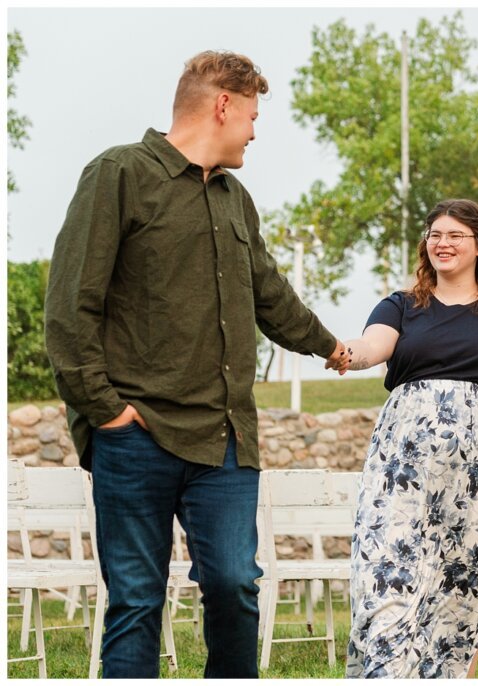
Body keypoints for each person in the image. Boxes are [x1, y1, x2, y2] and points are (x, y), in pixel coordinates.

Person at [44, 50, 351, 679]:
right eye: (253, 115)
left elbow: (268, 289)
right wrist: (106, 412)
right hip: (137, 437)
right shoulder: (117, 174)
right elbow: (71, 305)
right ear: (223, 105)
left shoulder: (236, 199)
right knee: (136, 601)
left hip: (225, 439)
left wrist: (329, 346)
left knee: (237, 586)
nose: (256, 131)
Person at [341, 198, 478, 678]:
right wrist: (343, 352)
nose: (443, 243)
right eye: (436, 234)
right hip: (404, 463)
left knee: (461, 578)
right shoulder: (401, 306)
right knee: (386, 567)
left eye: (456, 235)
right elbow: (372, 347)